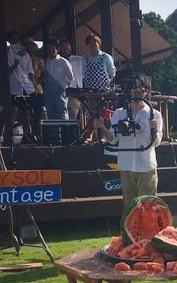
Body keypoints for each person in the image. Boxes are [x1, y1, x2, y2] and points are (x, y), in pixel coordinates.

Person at [93, 76, 163, 204]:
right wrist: (102, 128)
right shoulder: (119, 113)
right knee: (130, 207)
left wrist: (154, 130)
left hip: (146, 166)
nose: (137, 91)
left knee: (148, 206)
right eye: (134, 88)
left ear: (146, 91)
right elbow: (114, 141)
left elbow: (156, 143)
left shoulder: (154, 114)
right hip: (126, 165)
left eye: (141, 88)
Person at [81, 33, 115, 142]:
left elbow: (112, 73)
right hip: (89, 91)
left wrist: (106, 84)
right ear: (87, 45)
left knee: (104, 113)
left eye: (95, 42)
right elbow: (82, 74)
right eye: (90, 43)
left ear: (99, 43)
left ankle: (105, 136)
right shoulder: (84, 58)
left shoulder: (106, 57)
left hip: (103, 91)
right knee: (91, 113)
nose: (93, 45)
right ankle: (89, 135)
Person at [6, 30, 36, 144]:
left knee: (27, 112)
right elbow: (4, 71)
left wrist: (32, 82)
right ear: (9, 41)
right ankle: (9, 136)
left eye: (17, 40)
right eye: (13, 39)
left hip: (26, 87)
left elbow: (30, 71)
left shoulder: (25, 54)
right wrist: (14, 65)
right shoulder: (6, 53)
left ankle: (26, 135)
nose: (15, 42)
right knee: (13, 110)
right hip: (13, 86)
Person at [43, 39, 73, 120]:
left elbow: (70, 78)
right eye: (48, 48)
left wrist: (63, 89)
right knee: (50, 115)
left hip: (60, 92)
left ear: (57, 49)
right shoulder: (45, 62)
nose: (50, 50)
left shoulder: (64, 62)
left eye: (52, 48)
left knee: (62, 115)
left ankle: (63, 129)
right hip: (48, 93)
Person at [22, 37, 45, 129]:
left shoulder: (39, 60)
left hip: (37, 90)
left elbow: (44, 74)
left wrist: (39, 81)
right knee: (26, 113)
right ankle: (26, 133)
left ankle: (36, 133)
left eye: (31, 45)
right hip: (24, 90)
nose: (29, 47)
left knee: (38, 113)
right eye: (27, 45)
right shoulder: (20, 60)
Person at [59, 38, 83, 121]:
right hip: (61, 93)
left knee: (74, 117)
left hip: (75, 92)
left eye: (67, 45)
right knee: (63, 117)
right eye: (62, 46)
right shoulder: (56, 61)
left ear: (70, 48)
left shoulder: (79, 59)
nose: (65, 47)